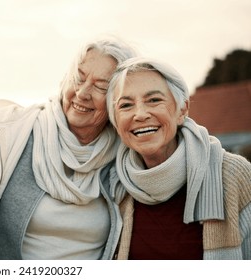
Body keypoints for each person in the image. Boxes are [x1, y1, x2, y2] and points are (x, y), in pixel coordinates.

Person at [0, 37, 137, 259]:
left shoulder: (125, 156)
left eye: (101, 86)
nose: (83, 93)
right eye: (78, 78)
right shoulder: (19, 135)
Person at [106, 57, 251, 259]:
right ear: (115, 122)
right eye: (126, 105)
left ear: (181, 110)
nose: (140, 114)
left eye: (154, 100)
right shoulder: (113, 186)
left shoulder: (235, 175)